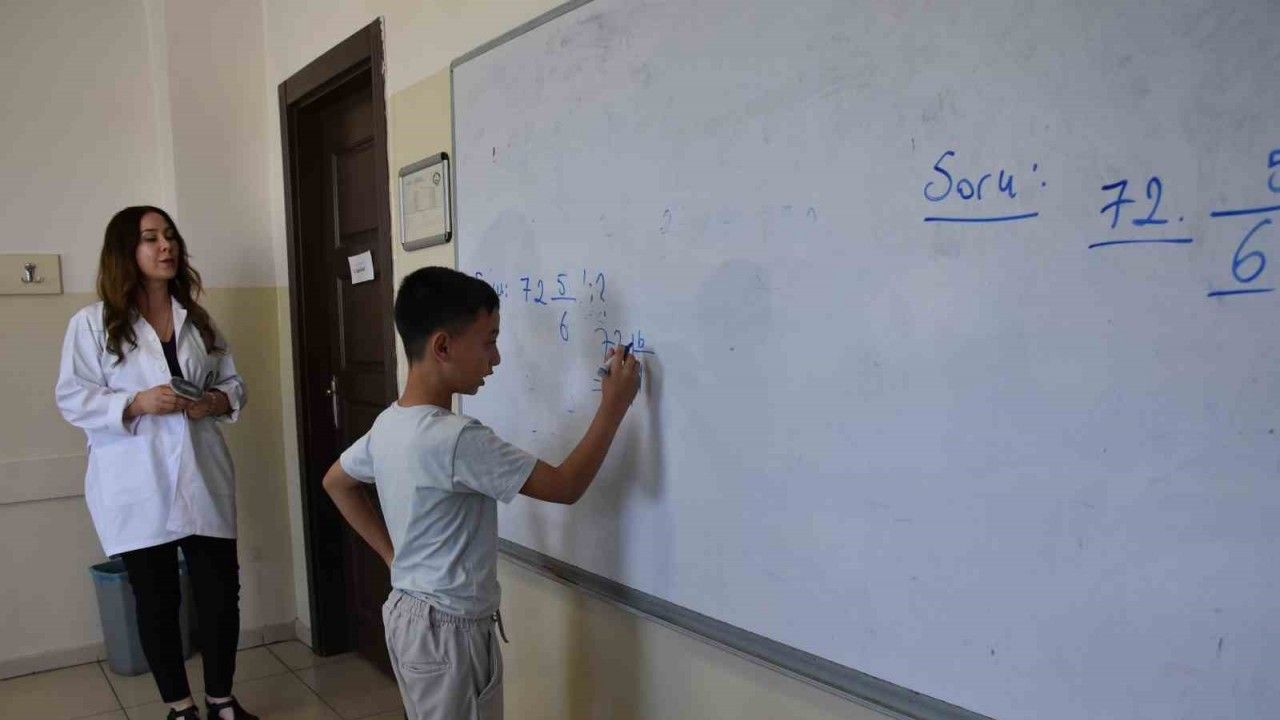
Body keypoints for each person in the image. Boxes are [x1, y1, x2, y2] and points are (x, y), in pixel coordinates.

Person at [323, 266, 642, 720]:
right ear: (443, 347)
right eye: (489, 341)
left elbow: (336, 482)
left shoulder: (390, 423)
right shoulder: (457, 439)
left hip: (409, 614)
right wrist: (613, 405)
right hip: (448, 632)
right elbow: (566, 485)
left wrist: (392, 556)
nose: (496, 358)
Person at [55, 207, 256, 720]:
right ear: (126, 251)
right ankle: (180, 708)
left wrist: (214, 401)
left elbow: (233, 384)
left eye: (170, 236)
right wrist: (135, 403)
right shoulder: (92, 325)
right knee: (157, 599)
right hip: (136, 481)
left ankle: (221, 701)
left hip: (202, 473)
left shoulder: (198, 321)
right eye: (151, 238)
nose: (166, 246)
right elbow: (72, 397)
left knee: (220, 594)